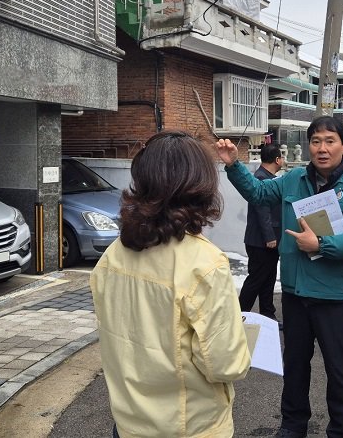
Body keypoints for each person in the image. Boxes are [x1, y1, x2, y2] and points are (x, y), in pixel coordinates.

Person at [215, 116, 343, 438]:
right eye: (316, 141)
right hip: (295, 292)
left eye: (330, 141)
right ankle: (293, 425)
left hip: (335, 296)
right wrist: (234, 165)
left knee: (338, 370)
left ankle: (340, 429)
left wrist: (321, 244)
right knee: (294, 367)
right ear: (309, 145)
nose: (322, 148)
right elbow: (259, 194)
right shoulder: (292, 180)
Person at [91, 131, 251, 438]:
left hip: (127, 422)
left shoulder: (114, 255)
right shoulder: (204, 264)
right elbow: (226, 365)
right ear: (200, 186)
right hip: (189, 426)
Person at [238, 143, 283, 324]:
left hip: (267, 241)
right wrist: (270, 236)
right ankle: (238, 315)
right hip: (261, 242)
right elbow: (262, 210)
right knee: (256, 280)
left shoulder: (268, 177)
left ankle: (268, 315)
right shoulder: (262, 179)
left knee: (268, 279)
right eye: (282, 157)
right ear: (277, 159)